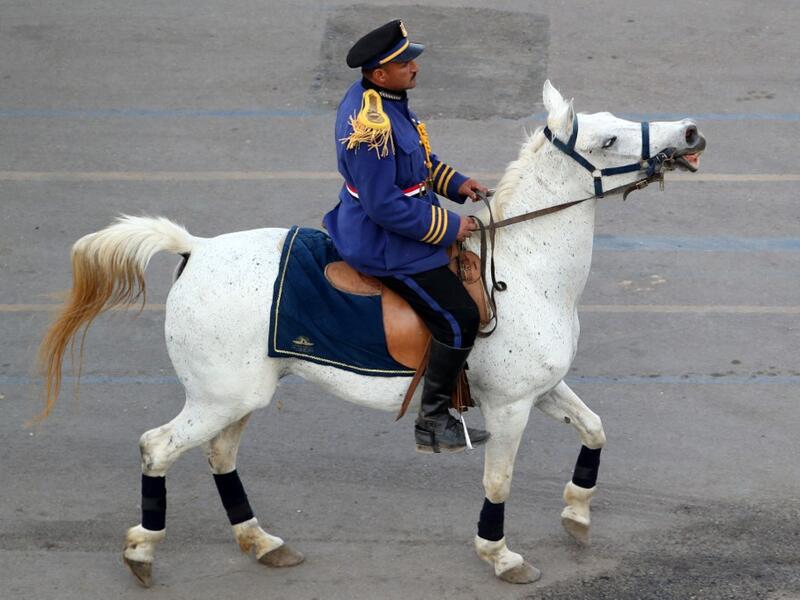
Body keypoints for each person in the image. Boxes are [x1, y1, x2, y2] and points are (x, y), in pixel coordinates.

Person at [323, 19, 491, 453]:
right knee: (459, 316)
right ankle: (432, 419)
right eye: (404, 62)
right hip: (384, 241)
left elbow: (416, 161)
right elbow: (384, 206)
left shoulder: (388, 99)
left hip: (404, 219)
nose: (414, 66)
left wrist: (457, 184)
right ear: (379, 74)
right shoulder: (371, 124)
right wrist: (453, 225)